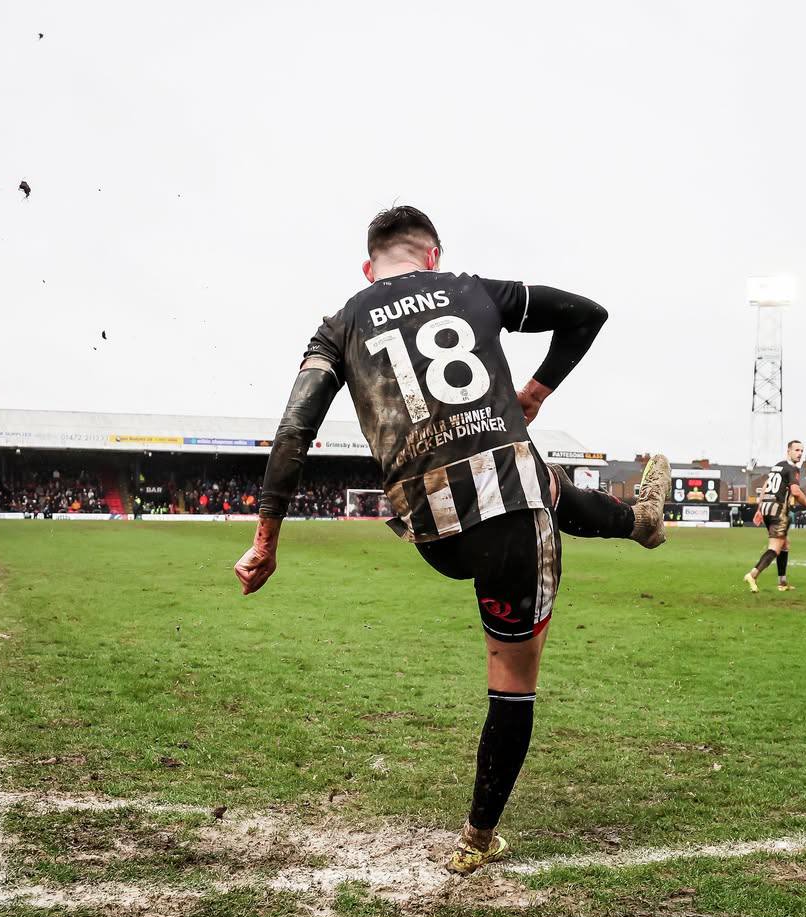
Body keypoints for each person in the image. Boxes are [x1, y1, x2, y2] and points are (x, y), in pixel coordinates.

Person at [234, 206, 670, 874]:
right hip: (512, 513)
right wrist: (534, 392)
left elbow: (295, 430)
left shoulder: (340, 325)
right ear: (432, 256)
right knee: (513, 673)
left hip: (430, 525)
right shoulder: (472, 290)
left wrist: (266, 541)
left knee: (539, 477)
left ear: (369, 267)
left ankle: (638, 522)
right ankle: (476, 839)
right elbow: (588, 314)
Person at [744, 440, 806, 593]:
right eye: (796, 450)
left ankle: (782, 582)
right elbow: (796, 492)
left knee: (784, 545)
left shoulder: (777, 466)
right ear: (788, 451)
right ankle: (752, 575)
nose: (799, 453)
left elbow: (765, 485)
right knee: (775, 548)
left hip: (766, 507)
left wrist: (759, 508)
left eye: (801, 451)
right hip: (778, 510)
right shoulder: (792, 469)